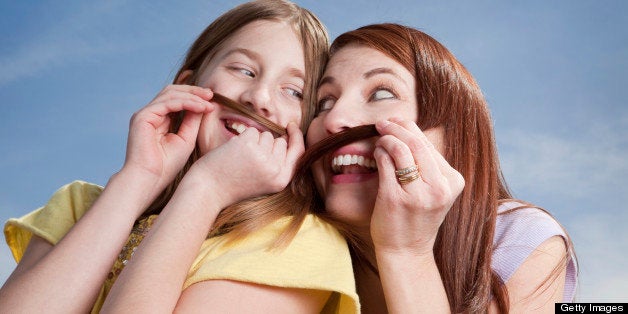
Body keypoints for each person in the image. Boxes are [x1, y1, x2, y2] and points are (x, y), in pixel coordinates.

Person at [1, 1, 359, 313]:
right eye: (243, 70)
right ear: (189, 84)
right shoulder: (80, 206)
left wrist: (207, 187)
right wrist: (138, 177)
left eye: (294, 91)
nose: (260, 97)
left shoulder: (299, 241)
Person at [298, 23, 578, 313]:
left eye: (381, 94)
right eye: (324, 102)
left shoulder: (521, 239)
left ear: (451, 136)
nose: (334, 120)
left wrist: (406, 251)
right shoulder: (291, 248)